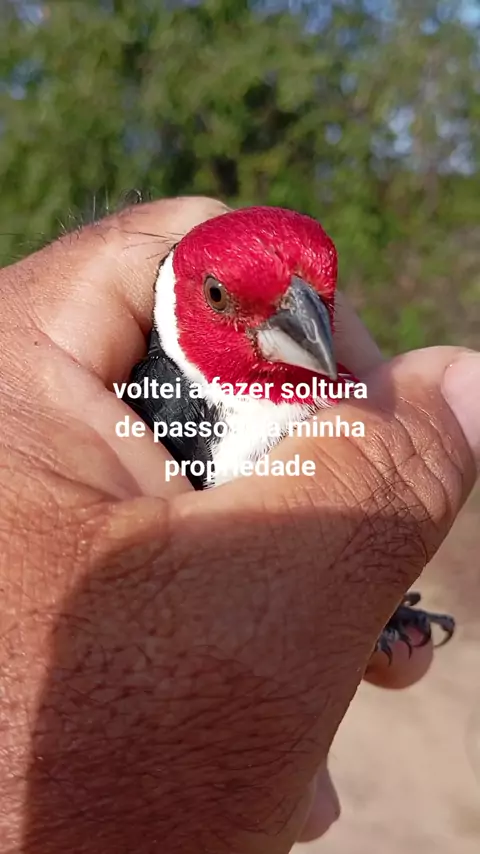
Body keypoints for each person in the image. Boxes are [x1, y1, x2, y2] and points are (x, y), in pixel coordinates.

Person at [0, 196, 477, 853]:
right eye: (223, 298)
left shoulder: (330, 389)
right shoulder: (158, 416)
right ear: (182, 300)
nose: (304, 331)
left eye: (316, 304)